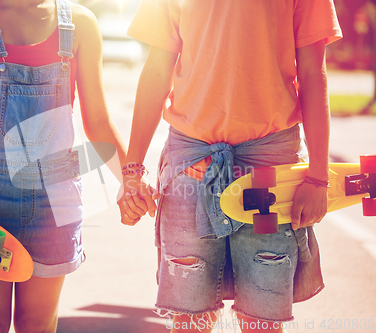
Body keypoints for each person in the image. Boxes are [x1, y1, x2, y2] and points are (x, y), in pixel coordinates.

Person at [118, 0, 342, 332]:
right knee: (190, 321)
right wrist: (132, 172)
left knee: (261, 322)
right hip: (191, 170)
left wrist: (319, 177)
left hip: (269, 177)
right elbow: (157, 67)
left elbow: (312, 73)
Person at [0, 0, 126, 332]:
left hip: (54, 208)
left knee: (36, 325)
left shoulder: (80, 24)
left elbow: (98, 121)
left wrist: (129, 183)